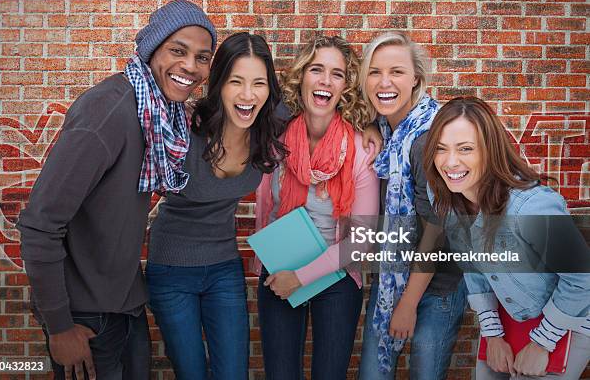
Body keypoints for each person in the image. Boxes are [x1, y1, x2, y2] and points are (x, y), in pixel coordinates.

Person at [17, 0, 217, 380]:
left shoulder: (161, 114)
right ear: (151, 49)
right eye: (178, 50)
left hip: (123, 305)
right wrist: (60, 326)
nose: (190, 66)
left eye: (202, 57)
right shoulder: (109, 112)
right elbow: (40, 224)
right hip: (83, 317)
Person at [145, 32, 286, 380]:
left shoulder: (268, 125)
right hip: (171, 269)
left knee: (234, 373)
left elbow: (323, 108)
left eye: (259, 83)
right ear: (219, 83)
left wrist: (370, 130)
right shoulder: (184, 126)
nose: (247, 94)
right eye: (236, 81)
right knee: (192, 372)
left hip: (224, 267)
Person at [422, 96, 590, 379]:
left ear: (490, 151)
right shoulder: (446, 195)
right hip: (510, 317)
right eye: (441, 149)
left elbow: (583, 278)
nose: (450, 162)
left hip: (569, 319)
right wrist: (493, 335)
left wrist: (542, 343)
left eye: (465, 149)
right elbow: (472, 266)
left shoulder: (531, 206)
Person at [251, 35, 379, 380]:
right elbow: (267, 210)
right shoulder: (275, 141)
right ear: (302, 77)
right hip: (280, 269)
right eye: (316, 69)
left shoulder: (360, 149)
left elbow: (362, 240)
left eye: (336, 74)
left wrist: (302, 277)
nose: (325, 80)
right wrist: (271, 266)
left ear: (345, 87)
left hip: (337, 276)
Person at [358, 31, 466, 379]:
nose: (384, 82)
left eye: (397, 72)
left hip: (438, 285)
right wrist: (367, 125)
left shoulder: (426, 139)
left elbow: (437, 229)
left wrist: (406, 305)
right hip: (392, 277)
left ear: (416, 78)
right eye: (374, 72)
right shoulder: (387, 131)